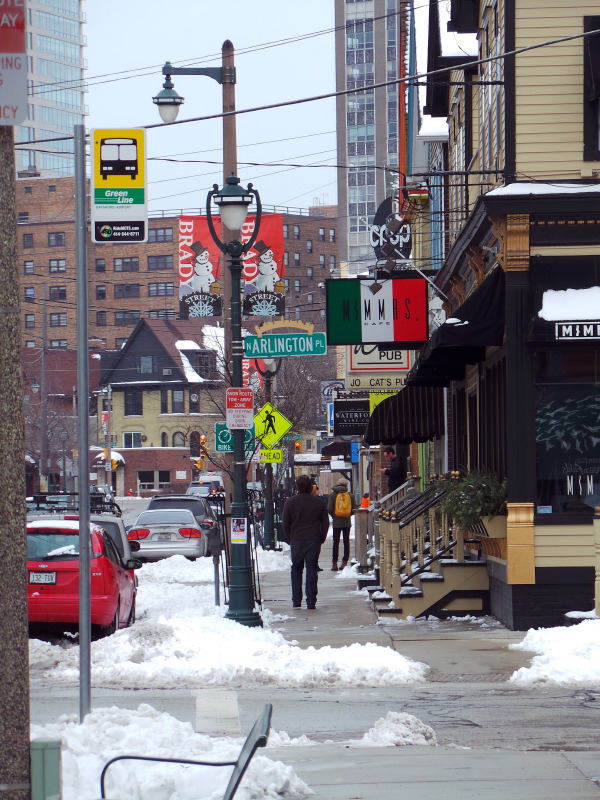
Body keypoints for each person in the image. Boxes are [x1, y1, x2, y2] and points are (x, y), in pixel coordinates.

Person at [282, 474, 329, 610]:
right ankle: (311, 601)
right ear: (310, 486)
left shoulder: (290, 502)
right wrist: (321, 538)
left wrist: (290, 538)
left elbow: (285, 523)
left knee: (296, 569)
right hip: (313, 539)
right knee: (311, 569)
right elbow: (325, 523)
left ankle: (296, 600)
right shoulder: (318, 502)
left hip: (296, 539)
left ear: (297, 486)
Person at [327, 479, 356, 571]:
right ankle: (344, 562)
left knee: (335, 542)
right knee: (346, 542)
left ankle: (334, 563)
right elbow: (354, 509)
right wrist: (347, 514)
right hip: (346, 522)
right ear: (346, 485)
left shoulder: (333, 495)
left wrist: (334, 515)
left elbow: (329, 508)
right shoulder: (350, 495)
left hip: (336, 522)